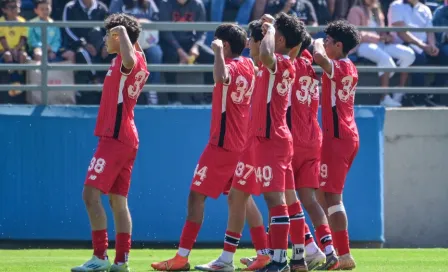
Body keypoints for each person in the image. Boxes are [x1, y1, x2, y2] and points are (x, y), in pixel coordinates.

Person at [195, 12, 306, 272]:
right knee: (236, 196)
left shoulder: (278, 61)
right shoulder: (275, 63)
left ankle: (279, 260)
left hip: (271, 140)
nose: (251, 45)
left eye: (255, 41)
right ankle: (226, 259)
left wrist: (270, 29)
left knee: (275, 200)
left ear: (275, 40)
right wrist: (275, 27)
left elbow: (269, 53)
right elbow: (293, 42)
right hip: (254, 141)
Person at [151, 23, 255, 271]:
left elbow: (222, 77)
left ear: (225, 44)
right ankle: (262, 251)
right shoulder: (249, 65)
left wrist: (218, 53)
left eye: (217, 42)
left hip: (222, 144)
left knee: (196, 197)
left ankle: (182, 257)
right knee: (241, 200)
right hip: (241, 143)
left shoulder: (228, 64)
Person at [70, 13, 150, 272]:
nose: (104, 39)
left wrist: (123, 32)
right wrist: (128, 33)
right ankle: (121, 261)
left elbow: (129, 56)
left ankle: (100, 257)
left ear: (118, 37)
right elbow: (135, 53)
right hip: (126, 138)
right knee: (118, 202)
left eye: (108, 35)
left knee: (90, 195)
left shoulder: (127, 61)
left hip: (115, 138)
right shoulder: (138, 60)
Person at [313, 20, 361, 270]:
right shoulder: (350, 67)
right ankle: (331, 251)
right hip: (345, 135)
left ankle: (343, 254)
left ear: (339, 45)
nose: (325, 43)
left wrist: (315, 40)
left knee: (332, 197)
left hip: (338, 138)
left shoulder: (340, 66)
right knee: (321, 194)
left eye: (329, 40)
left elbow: (319, 57)